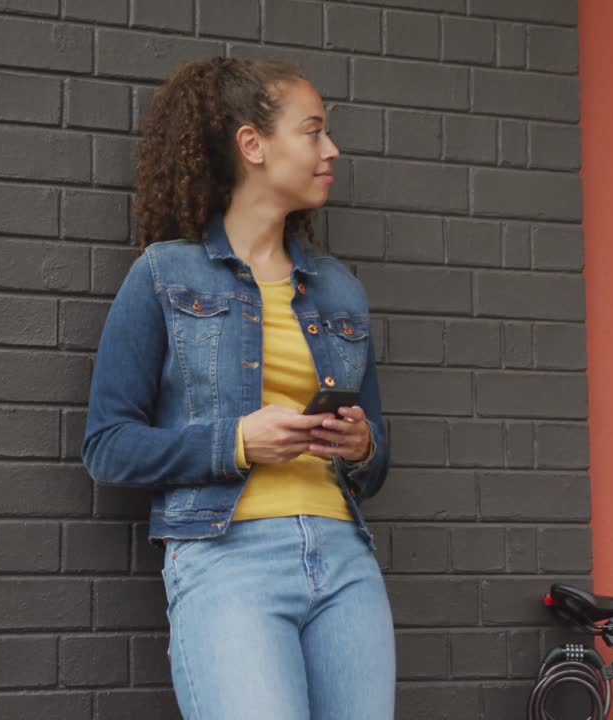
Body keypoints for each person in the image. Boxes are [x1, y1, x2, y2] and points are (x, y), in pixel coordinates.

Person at [81, 57, 394, 720]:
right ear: (253, 145)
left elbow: (377, 456)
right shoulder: (165, 275)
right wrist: (237, 442)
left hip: (344, 560)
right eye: (313, 131)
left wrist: (361, 445)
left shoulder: (339, 288)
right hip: (228, 560)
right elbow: (108, 446)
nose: (331, 149)